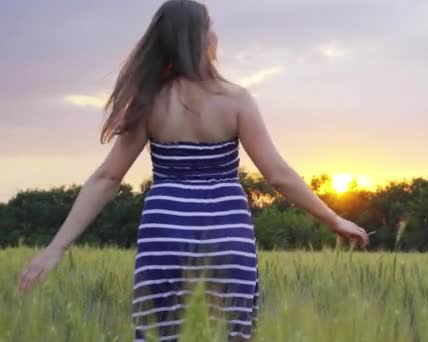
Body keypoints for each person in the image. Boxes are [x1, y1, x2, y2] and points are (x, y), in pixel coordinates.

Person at [17, 0, 369, 341]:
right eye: (210, 29)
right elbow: (278, 175)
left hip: (164, 240)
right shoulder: (236, 100)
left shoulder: (148, 102)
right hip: (227, 240)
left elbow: (108, 178)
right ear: (201, 41)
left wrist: (55, 249)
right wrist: (334, 220)